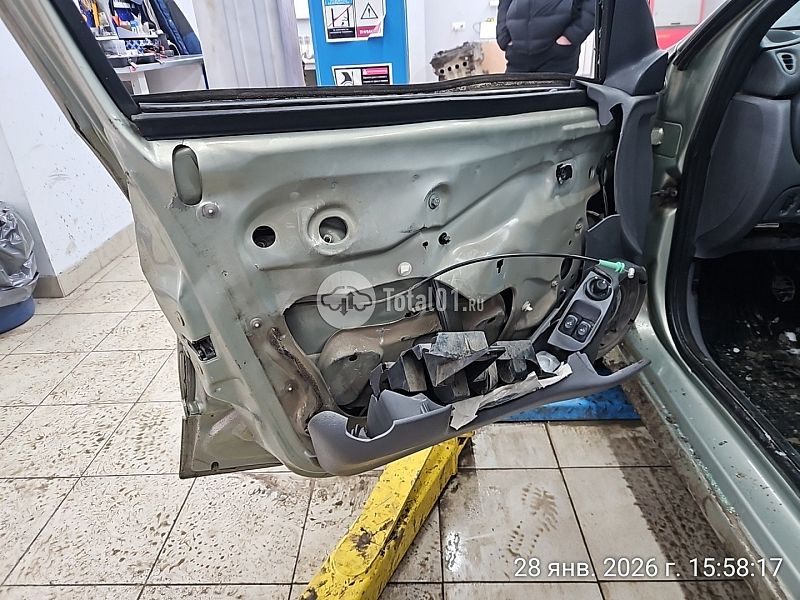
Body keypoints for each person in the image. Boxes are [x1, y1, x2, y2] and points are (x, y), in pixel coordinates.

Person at [497, 0, 596, 75]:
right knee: (513, 96)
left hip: (557, 55)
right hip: (517, 55)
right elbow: (504, 4)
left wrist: (571, 36)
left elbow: (593, 4)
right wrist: (504, 37)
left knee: (557, 97)